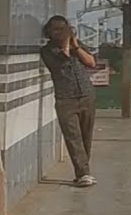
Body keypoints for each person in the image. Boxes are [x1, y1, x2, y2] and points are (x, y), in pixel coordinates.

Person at [39, 16, 98, 188]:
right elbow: (64, 57)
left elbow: (91, 62)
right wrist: (66, 41)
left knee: (86, 136)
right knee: (73, 137)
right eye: (56, 30)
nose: (60, 33)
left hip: (86, 95)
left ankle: (84, 171)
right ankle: (83, 173)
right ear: (49, 32)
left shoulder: (76, 46)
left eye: (63, 29)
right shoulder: (48, 51)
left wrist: (76, 46)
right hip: (66, 99)